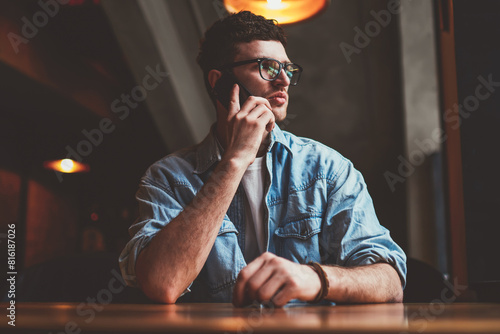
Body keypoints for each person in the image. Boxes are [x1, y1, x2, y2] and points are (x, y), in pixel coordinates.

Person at [119, 11, 406, 306]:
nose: (283, 80)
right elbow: (162, 283)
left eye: (288, 69)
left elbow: (391, 281)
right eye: (267, 67)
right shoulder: (167, 177)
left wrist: (316, 279)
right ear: (220, 82)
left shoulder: (328, 169)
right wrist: (235, 160)